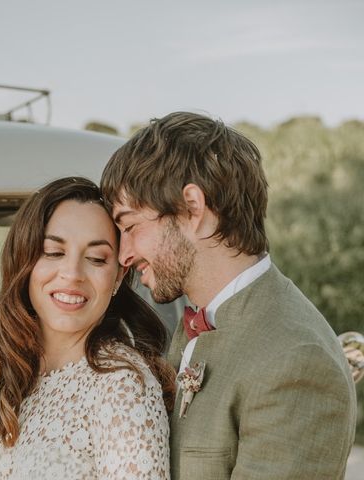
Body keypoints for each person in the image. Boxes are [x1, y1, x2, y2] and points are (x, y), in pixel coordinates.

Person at [100, 111, 357, 479]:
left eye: (131, 226)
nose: (123, 254)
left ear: (193, 208)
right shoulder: (198, 322)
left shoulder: (296, 360)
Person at [0, 176, 175, 479]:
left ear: (118, 277)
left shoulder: (121, 387)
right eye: (54, 252)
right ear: (25, 263)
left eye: (95, 258)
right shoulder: (16, 380)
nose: (72, 274)